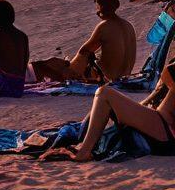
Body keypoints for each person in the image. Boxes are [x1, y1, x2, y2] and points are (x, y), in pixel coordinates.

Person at [41, 59, 175, 162]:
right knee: (108, 106)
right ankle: (85, 143)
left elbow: (167, 74)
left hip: (165, 129)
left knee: (104, 93)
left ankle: (84, 152)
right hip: (161, 126)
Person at [31, 0, 137, 84]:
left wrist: (69, 70)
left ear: (100, 7)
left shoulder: (104, 26)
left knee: (41, 65)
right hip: (125, 76)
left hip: (108, 77)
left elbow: (85, 51)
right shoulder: (129, 25)